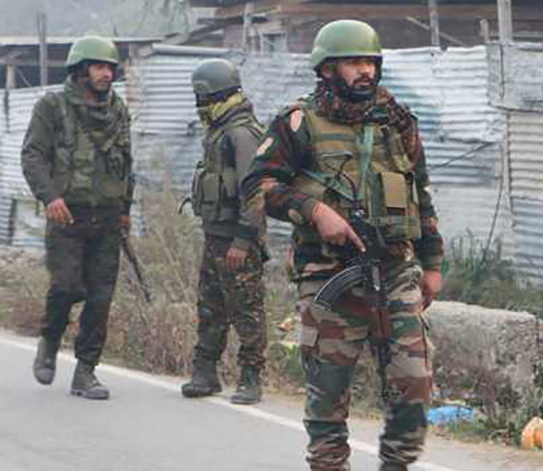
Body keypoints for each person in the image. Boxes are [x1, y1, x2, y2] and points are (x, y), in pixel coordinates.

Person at [242, 19, 444, 471]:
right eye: (353, 62)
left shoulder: (397, 123)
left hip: (394, 271)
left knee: (415, 385)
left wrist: (432, 264)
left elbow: (422, 195)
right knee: (328, 397)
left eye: (370, 61)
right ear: (328, 68)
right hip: (327, 277)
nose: (365, 70)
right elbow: (257, 186)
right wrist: (314, 211)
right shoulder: (298, 122)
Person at [22, 36, 134, 400]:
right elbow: (33, 156)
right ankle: (49, 340)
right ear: (81, 70)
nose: (107, 75)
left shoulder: (118, 111)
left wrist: (126, 209)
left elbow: (126, 163)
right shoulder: (51, 107)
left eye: (110, 69)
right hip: (67, 216)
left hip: (107, 218)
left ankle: (86, 372)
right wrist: (50, 196)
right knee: (66, 286)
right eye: (99, 67)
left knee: (101, 298)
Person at [181, 58, 268, 405]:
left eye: (200, 96)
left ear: (211, 94)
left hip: (237, 239)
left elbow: (255, 191)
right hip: (216, 236)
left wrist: (243, 240)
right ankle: (205, 372)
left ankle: (251, 378)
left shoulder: (240, 133)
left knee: (246, 310)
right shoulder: (220, 128)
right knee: (210, 306)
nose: (198, 104)